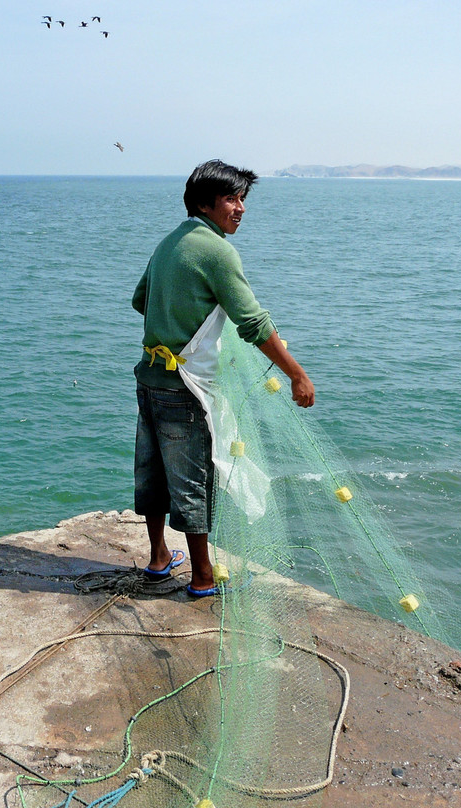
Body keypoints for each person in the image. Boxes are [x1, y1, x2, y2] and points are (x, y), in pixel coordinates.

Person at [131, 159, 315, 596]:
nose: (240, 208)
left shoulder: (170, 241)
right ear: (204, 203)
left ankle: (159, 558)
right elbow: (253, 322)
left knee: (152, 472)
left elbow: (141, 300)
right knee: (193, 481)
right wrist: (297, 375)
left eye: (242, 199)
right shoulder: (217, 250)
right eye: (232, 199)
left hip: (150, 379)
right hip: (187, 390)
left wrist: (181, 316)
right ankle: (202, 577)